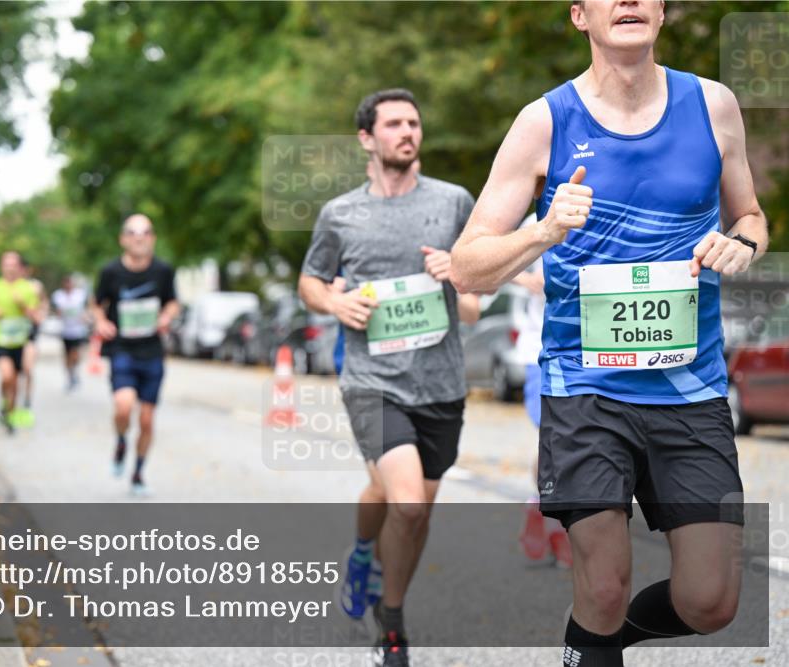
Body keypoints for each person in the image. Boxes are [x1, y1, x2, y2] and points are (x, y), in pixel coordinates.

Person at [450, 2, 767, 665]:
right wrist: (543, 230)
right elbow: (466, 266)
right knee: (602, 582)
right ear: (579, 16)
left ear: (663, 11)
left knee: (711, 600)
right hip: (584, 388)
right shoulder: (545, 122)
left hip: (692, 390)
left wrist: (742, 243)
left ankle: (590, 645)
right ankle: (593, 634)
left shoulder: (714, 106)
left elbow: (752, 217)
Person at [299, 88, 479, 666]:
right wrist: (333, 305)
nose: (408, 132)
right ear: (366, 138)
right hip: (371, 380)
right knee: (405, 504)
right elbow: (311, 280)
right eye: (395, 123)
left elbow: (477, 297)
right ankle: (393, 624)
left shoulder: (453, 203)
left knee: (412, 505)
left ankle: (366, 560)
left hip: (442, 384)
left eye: (414, 123)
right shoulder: (340, 214)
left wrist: (458, 276)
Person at [94, 214, 180, 497]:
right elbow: (96, 304)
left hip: (152, 351)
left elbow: (173, 302)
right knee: (123, 406)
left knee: (146, 420)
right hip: (122, 348)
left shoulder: (163, 270)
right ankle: (120, 440)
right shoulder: (110, 272)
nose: (139, 237)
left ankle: (138, 472)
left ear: (152, 238)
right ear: (123, 238)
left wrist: (167, 316)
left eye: (145, 232)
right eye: (132, 232)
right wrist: (100, 321)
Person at [510, 215, 572, 568]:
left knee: (572, 441)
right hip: (541, 349)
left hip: (592, 350)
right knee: (551, 437)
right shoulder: (539, 217)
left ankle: (558, 517)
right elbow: (496, 264)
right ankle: (545, 507)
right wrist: (527, 278)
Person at [0, 251, 41, 434]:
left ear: (20, 267)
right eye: (7, 264)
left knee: (16, 380)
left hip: (21, 341)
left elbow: (36, 317)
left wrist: (22, 304)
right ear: (1, 266)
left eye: (14, 264)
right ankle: (5, 403)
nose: (10, 267)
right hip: (1, 341)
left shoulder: (28, 288)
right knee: (7, 376)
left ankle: (9, 413)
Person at [19, 258, 48, 426]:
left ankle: (27, 404)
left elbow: (43, 304)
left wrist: (40, 313)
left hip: (30, 335)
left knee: (28, 369)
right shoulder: (7, 287)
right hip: (10, 338)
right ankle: (8, 405)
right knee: (13, 375)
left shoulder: (35, 286)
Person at [51, 274, 90, 391]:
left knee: (76, 353)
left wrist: (85, 317)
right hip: (65, 330)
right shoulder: (58, 296)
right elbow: (55, 310)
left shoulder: (80, 295)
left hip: (78, 330)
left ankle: (75, 370)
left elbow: (87, 308)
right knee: (67, 355)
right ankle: (70, 376)